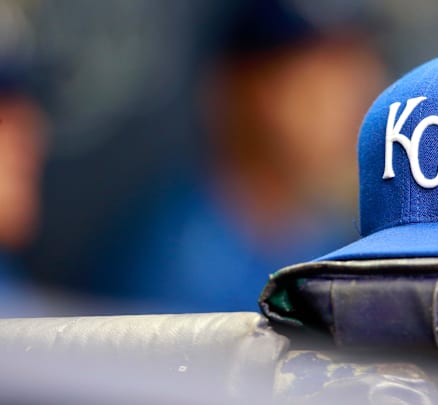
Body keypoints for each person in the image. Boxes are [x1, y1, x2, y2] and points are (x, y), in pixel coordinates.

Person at [89, 1, 385, 313]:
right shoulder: (171, 260)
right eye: (326, 70)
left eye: (358, 64)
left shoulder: (333, 239)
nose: (360, 94)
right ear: (248, 90)